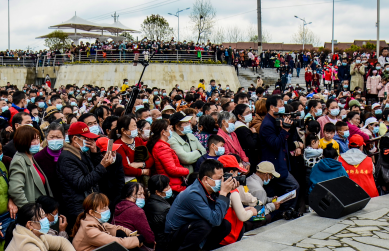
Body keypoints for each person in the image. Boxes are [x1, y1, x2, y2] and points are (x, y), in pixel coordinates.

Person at [165, 159, 237, 251]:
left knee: (225, 225)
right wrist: (223, 193)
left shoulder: (209, 189)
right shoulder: (193, 194)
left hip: (191, 227)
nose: (222, 181)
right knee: (204, 226)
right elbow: (215, 220)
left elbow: (219, 216)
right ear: (206, 179)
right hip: (173, 235)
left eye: (223, 177)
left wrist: (226, 193)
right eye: (219, 178)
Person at [56, 122, 112, 233]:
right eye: (87, 139)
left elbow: (94, 173)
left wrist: (95, 154)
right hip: (78, 208)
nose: (91, 142)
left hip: (88, 203)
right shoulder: (67, 158)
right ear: (75, 139)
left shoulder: (82, 152)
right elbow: (82, 183)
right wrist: (102, 166)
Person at [258, 95, 300, 211]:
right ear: (272, 107)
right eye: (281, 105)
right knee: (294, 186)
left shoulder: (277, 120)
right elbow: (275, 144)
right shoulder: (267, 124)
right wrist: (284, 130)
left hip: (281, 162)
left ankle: (284, 210)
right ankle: (286, 210)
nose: (283, 107)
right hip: (274, 164)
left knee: (283, 189)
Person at [71, 193, 142, 251]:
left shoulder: (96, 223)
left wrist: (131, 234)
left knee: (120, 233)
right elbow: (117, 243)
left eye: (107, 207)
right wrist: (137, 239)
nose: (107, 210)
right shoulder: (89, 230)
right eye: (103, 208)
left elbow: (117, 228)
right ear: (92, 213)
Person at [8, 125, 53, 208]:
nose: (37, 142)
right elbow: (15, 190)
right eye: (33, 140)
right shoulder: (19, 161)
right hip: (34, 210)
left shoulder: (31, 157)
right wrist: (30, 210)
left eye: (37, 138)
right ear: (23, 141)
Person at [218, 155, 257, 246]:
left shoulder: (214, 186)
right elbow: (242, 217)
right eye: (237, 172)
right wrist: (252, 211)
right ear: (231, 172)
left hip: (216, 235)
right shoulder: (232, 191)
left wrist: (245, 209)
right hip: (229, 238)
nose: (238, 175)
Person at [4, 202, 75, 251]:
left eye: (45, 216)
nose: (46, 220)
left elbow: (62, 241)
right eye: (42, 218)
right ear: (30, 224)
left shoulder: (36, 234)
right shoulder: (28, 247)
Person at [147, 119, 189, 193]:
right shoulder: (162, 147)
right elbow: (171, 170)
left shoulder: (160, 145)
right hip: (172, 184)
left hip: (171, 183)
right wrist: (186, 171)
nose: (171, 131)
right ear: (163, 132)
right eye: (169, 129)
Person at [109, 115, 154, 183]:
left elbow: (150, 159)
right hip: (129, 182)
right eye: (133, 126)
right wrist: (143, 171)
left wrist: (140, 164)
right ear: (124, 131)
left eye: (136, 125)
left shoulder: (138, 140)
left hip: (143, 180)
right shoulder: (117, 145)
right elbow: (126, 169)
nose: (136, 128)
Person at [113, 182, 155, 249]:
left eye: (143, 194)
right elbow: (148, 237)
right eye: (139, 194)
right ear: (128, 196)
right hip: (134, 246)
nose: (143, 197)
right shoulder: (136, 211)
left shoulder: (118, 205)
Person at [34, 122, 65, 200]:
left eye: (58, 137)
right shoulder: (38, 158)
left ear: (64, 138)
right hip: (49, 199)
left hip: (68, 199)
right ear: (46, 138)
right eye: (51, 137)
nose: (55, 140)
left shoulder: (68, 155)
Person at [95, 137, 125, 212]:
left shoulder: (118, 157)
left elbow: (120, 180)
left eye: (115, 150)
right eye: (111, 151)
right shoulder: (96, 162)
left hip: (115, 195)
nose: (114, 153)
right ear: (102, 154)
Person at [144, 175, 171, 251]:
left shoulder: (148, 200)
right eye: (167, 186)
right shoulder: (164, 208)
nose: (169, 188)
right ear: (158, 192)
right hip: (162, 243)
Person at [232, 104, 260, 174]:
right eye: (247, 113)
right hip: (248, 158)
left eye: (250, 112)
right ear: (239, 116)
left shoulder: (243, 126)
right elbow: (252, 145)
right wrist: (255, 134)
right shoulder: (242, 129)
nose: (250, 114)